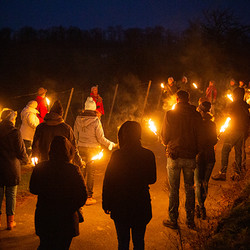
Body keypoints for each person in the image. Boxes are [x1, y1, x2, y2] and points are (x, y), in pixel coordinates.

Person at [102, 121, 156, 250]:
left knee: (122, 242)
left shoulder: (117, 155)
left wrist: (106, 203)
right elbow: (152, 179)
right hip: (140, 203)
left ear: (122, 136)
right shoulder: (148, 155)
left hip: (120, 205)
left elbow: (108, 181)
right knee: (139, 241)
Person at [30, 136, 87, 249]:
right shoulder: (73, 169)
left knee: (45, 245)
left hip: (45, 217)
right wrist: (71, 206)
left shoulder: (40, 167)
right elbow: (82, 195)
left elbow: (33, 188)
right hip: (66, 219)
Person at [161, 90, 202, 229]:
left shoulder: (170, 114)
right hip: (190, 157)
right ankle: (190, 220)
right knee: (190, 189)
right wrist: (196, 151)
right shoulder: (196, 115)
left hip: (174, 156)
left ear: (177, 99)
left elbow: (165, 137)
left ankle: (173, 219)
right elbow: (200, 137)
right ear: (188, 99)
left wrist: (165, 142)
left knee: (174, 189)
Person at [74, 97, 116, 205]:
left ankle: (79, 194)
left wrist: (75, 148)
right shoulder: (96, 120)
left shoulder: (78, 119)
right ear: (93, 109)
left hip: (81, 148)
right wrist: (111, 144)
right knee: (91, 172)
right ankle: (88, 196)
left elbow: (75, 136)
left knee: (81, 171)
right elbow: (101, 138)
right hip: (93, 149)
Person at [212, 87, 249, 181]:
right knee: (238, 152)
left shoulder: (233, 104)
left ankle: (223, 173)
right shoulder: (245, 104)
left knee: (225, 150)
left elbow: (227, 114)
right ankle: (237, 174)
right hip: (242, 131)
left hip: (233, 131)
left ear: (236, 95)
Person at [0, 109, 29, 230]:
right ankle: (10, 222)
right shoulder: (15, 132)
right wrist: (26, 160)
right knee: (11, 195)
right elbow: (21, 151)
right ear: (12, 119)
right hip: (12, 167)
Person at [32, 100, 83, 168]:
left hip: (44, 162)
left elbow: (35, 145)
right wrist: (79, 163)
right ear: (61, 114)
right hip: (62, 165)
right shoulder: (66, 128)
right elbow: (73, 147)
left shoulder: (41, 127)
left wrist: (35, 159)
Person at [195, 101, 217, 219]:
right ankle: (200, 206)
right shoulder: (212, 124)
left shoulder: (196, 125)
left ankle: (201, 207)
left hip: (200, 157)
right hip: (210, 157)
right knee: (204, 183)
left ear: (202, 111)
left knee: (198, 183)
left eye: (199, 110)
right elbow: (214, 140)